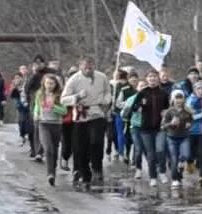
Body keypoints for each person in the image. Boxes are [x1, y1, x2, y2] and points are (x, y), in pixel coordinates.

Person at [61, 56, 113, 187]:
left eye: (90, 67)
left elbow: (108, 92)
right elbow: (63, 99)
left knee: (96, 141)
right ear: (80, 66)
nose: (88, 69)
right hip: (80, 115)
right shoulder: (74, 80)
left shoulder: (102, 77)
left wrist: (106, 100)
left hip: (97, 112)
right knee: (81, 147)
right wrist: (77, 96)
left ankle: (97, 167)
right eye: (85, 67)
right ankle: (85, 174)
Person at [128, 69, 171, 186]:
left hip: (160, 127)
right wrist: (139, 106)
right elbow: (133, 108)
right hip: (145, 129)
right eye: (150, 77)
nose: (152, 79)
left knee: (161, 150)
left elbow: (168, 109)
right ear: (146, 79)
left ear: (158, 79)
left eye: (154, 77)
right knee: (151, 154)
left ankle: (162, 171)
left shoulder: (163, 93)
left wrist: (166, 112)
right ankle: (153, 177)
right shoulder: (142, 93)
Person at [34, 72, 67, 186]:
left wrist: (54, 106)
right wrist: (36, 114)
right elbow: (37, 106)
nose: (49, 85)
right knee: (48, 148)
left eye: (52, 83)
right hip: (43, 123)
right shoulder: (40, 93)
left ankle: (53, 171)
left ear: (55, 84)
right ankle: (50, 174)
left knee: (55, 149)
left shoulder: (59, 95)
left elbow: (64, 111)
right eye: (47, 83)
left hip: (56, 124)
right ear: (44, 83)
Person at [162, 89, 192, 189]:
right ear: (173, 99)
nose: (179, 100)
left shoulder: (187, 111)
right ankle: (175, 179)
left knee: (186, 155)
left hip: (184, 137)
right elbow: (162, 126)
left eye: (181, 98)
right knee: (173, 159)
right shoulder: (169, 111)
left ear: (184, 99)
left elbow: (191, 121)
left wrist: (189, 124)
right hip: (172, 138)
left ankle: (181, 163)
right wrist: (171, 123)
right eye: (177, 98)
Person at [107, 69, 136, 164]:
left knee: (123, 133)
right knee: (119, 133)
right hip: (119, 113)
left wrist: (127, 104)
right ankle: (121, 152)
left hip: (124, 113)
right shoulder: (115, 86)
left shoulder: (125, 88)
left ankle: (122, 151)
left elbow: (118, 103)